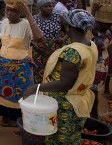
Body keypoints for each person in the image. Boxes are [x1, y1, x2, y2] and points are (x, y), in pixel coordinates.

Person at [24, 9, 98, 145]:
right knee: (72, 137)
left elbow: (65, 83)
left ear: (68, 27)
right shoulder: (90, 45)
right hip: (80, 100)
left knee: (60, 139)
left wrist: (36, 87)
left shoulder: (72, 52)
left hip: (66, 104)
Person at [0, 3, 43, 142]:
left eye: (13, 11)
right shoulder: (4, 22)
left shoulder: (26, 24)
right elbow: (5, 43)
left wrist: (28, 13)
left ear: (20, 13)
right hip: (3, 67)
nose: (9, 14)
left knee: (23, 99)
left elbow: (39, 38)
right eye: (7, 10)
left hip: (21, 70)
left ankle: (23, 127)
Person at [32, 0, 67, 84]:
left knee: (55, 72)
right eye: (46, 6)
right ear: (40, 8)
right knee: (40, 74)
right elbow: (28, 36)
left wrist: (63, 39)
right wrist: (33, 43)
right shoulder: (34, 19)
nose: (49, 8)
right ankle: (41, 93)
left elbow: (69, 31)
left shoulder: (58, 17)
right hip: (39, 52)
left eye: (50, 6)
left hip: (56, 50)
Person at [90, 4, 112, 118]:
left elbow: (91, 26)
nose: (96, 24)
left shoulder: (102, 37)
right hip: (102, 63)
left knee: (93, 91)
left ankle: (94, 115)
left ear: (104, 25)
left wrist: (93, 11)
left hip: (98, 65)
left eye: (98, 23)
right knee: (95, 90)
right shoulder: (107, 33)